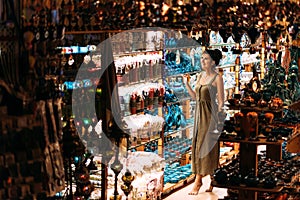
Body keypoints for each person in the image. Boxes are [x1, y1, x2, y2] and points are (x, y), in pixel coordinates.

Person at [183, 49, 224, 195]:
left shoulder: (217, 78)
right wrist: (186, 84)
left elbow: (221, 101)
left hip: (210, 115)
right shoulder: (200, 76)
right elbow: (195, 97)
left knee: (205, 145)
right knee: (198, 144)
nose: (202, 61)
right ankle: (211, 177)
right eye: (201, 58)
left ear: (213, 62)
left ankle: (198, 180)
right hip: (199, 114)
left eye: (206, 59)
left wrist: (220, 118)